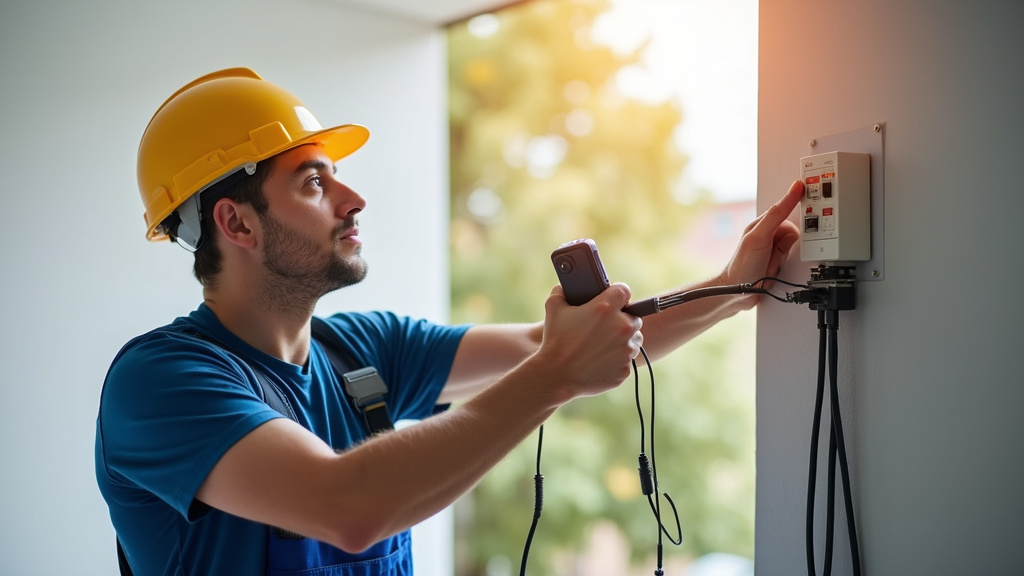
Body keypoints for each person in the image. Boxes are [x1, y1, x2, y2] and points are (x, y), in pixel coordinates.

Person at [95, 67, 803, 576]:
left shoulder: (362, 351)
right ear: (236, 222)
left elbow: (544, 346)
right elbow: (347, 507)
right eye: (314, 181)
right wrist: (556, 376)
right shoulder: (161, 383)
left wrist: (732, 287)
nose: (354, 197)